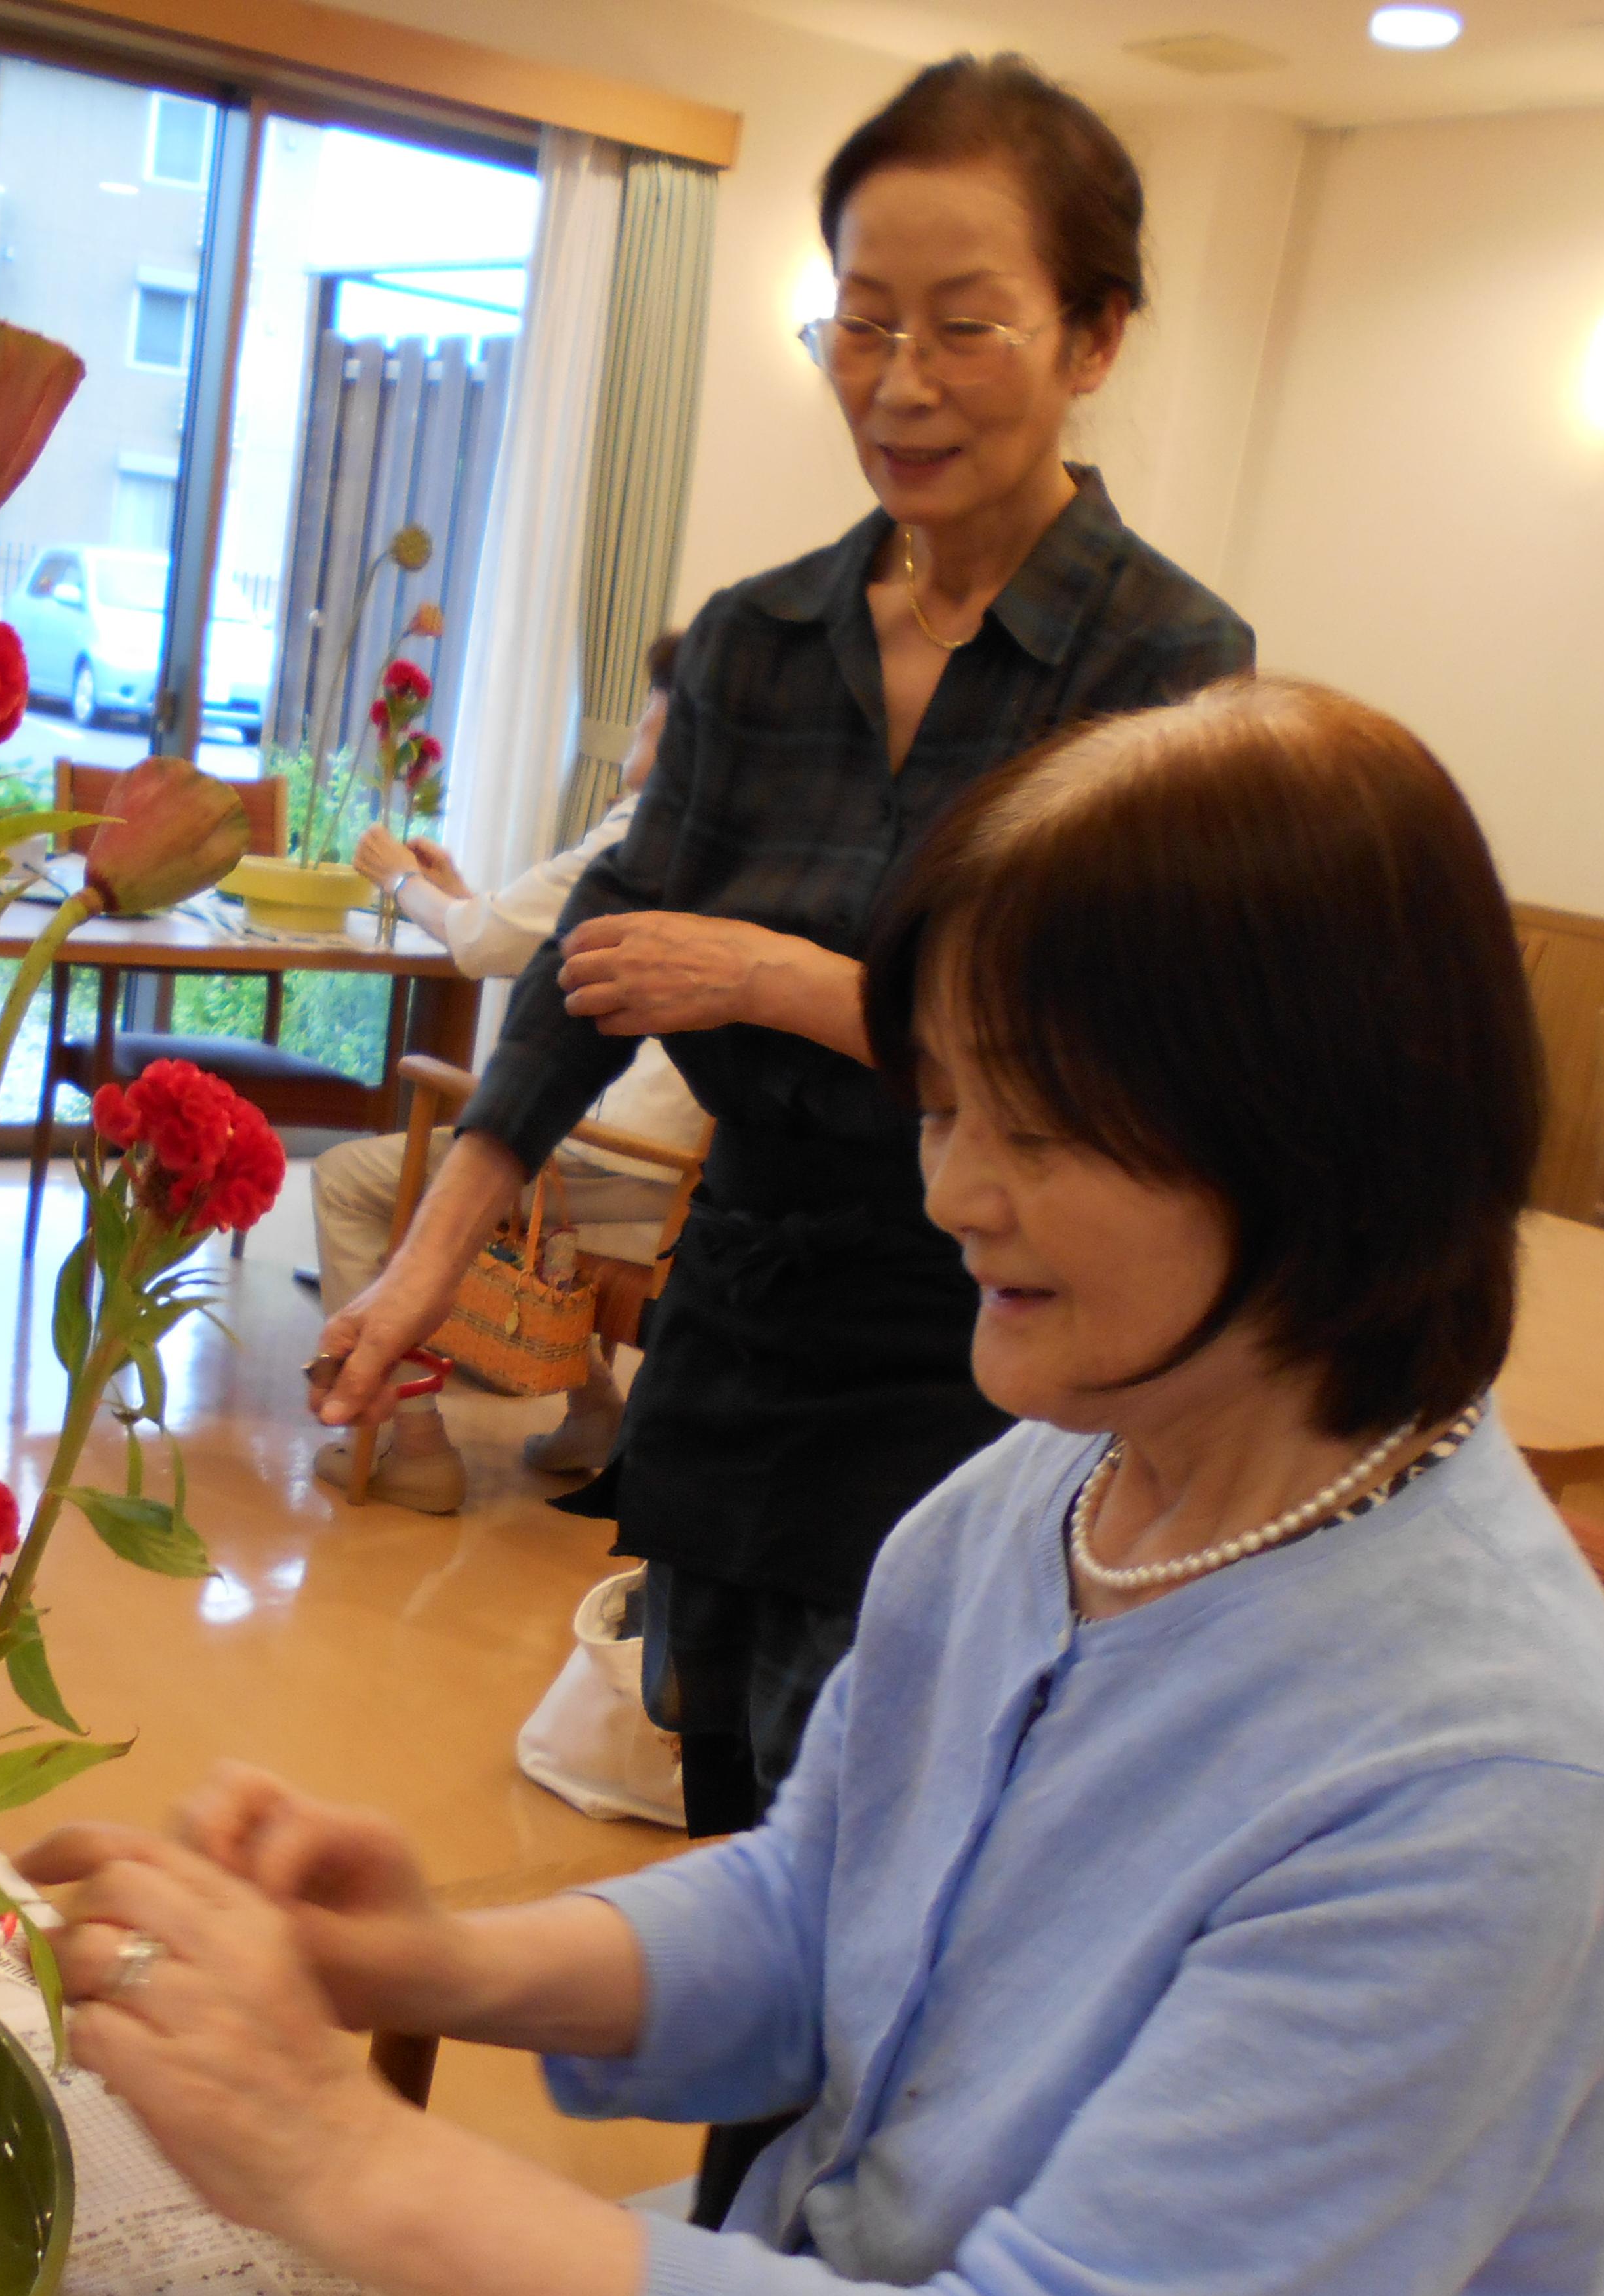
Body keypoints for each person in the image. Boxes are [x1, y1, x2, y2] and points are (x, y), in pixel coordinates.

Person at [24, 678, 1604, 2296]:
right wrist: (434, 1965)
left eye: (1040, 1132)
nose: (953, 1191)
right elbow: (824, 1902)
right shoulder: (1052, 1483)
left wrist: (339, 2161)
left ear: (1328, 1146)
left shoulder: (1480, 1781)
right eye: (944, 1104)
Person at [306, 54, 1252, 1847]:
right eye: (862, 322)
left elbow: (1107, 1049)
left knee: (918, 1854)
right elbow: (597, 952)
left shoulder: (1167, 664)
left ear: (1094, 337)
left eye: (964, 327)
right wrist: (428, 1258)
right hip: (747, 1308)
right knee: (734, 1812)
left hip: (995, 1333)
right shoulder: (758, 638)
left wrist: (767, 981)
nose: (899, 382)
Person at [315, 632, 712, 1513]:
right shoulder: (741, 841)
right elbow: (530, 939)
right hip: (684, 1166)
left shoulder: (647, 830)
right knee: (491, 1183)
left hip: (623, 1155)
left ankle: (410, 1442)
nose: (634, 735)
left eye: (647, 715)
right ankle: (596, 1411)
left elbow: (483, 945)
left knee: (352, 1181)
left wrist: (398, 882)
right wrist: (462, 897)